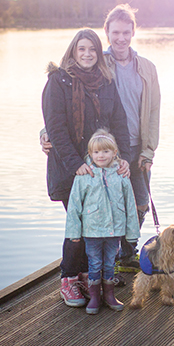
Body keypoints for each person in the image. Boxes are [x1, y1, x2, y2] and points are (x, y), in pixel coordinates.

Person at [42, 4, 161, 269]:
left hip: (134, 147)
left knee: (138, 202)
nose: (121, 38)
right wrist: (45, 132)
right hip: (99, 152)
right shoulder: (97, 62)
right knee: (99, 210)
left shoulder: (147, 69)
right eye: (115, 32)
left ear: (133, 32)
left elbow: (153, 112)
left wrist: (148, 151)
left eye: (126, 32)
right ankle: (103, 263)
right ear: (106, 32)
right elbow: (62, 108)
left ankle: (124, 253)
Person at [42, 28, 131, 308]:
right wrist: (77, 164)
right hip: (72, 169)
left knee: (95, 226)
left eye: (92, 49)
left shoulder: (105, 82)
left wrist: (123, 157)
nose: (87, 54)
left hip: (102, 168)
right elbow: (55, 128)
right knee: (77, 224)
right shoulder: (58, 81)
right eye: (81, 49)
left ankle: (86, 276)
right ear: (73, 51)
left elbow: (118, 123)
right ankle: (68, 279)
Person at [65, 129, 140, 314]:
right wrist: (74, 234)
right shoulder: (84, 176)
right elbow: (74, 206)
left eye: (105, 151)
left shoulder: (121, 175)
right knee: (95, 263)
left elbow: (130, 205)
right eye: (96, 152)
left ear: (115, 153)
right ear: (90, 154)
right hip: (92, 231)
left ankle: (109, 295)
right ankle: (95, 296)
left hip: (114, 231)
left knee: (109, 264)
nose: (101, 155)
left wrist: (132, 234)